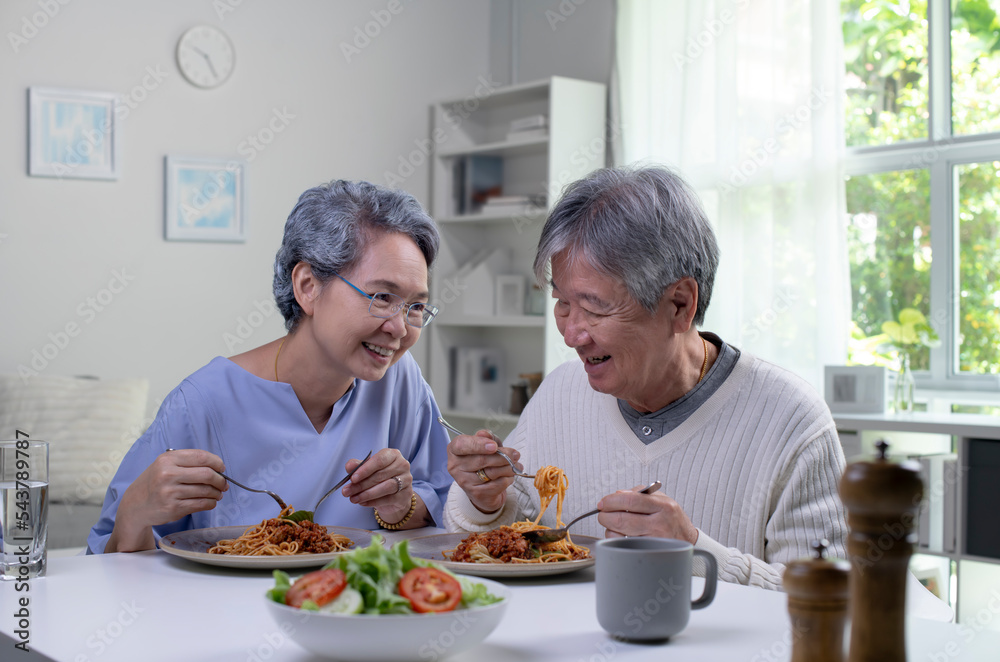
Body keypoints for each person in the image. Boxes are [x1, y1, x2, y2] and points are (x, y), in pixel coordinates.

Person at [443, 165, 849, 590]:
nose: (571, 334)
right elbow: (508, 537)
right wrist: (484, 501)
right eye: (562, 302)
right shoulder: (559, 393)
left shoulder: (791, 421)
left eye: (596, 308)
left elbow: (830, 601)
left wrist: (694, 552)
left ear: (679, 305)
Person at [88, 180, 451, 554]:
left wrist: (402, 506)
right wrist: (133, 511)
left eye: (416, 307)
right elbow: (107, 571)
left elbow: (447, 504)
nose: (399, 327)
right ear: (308, 286)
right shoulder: (201, 403)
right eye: (382, 297)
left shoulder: (399, 379)